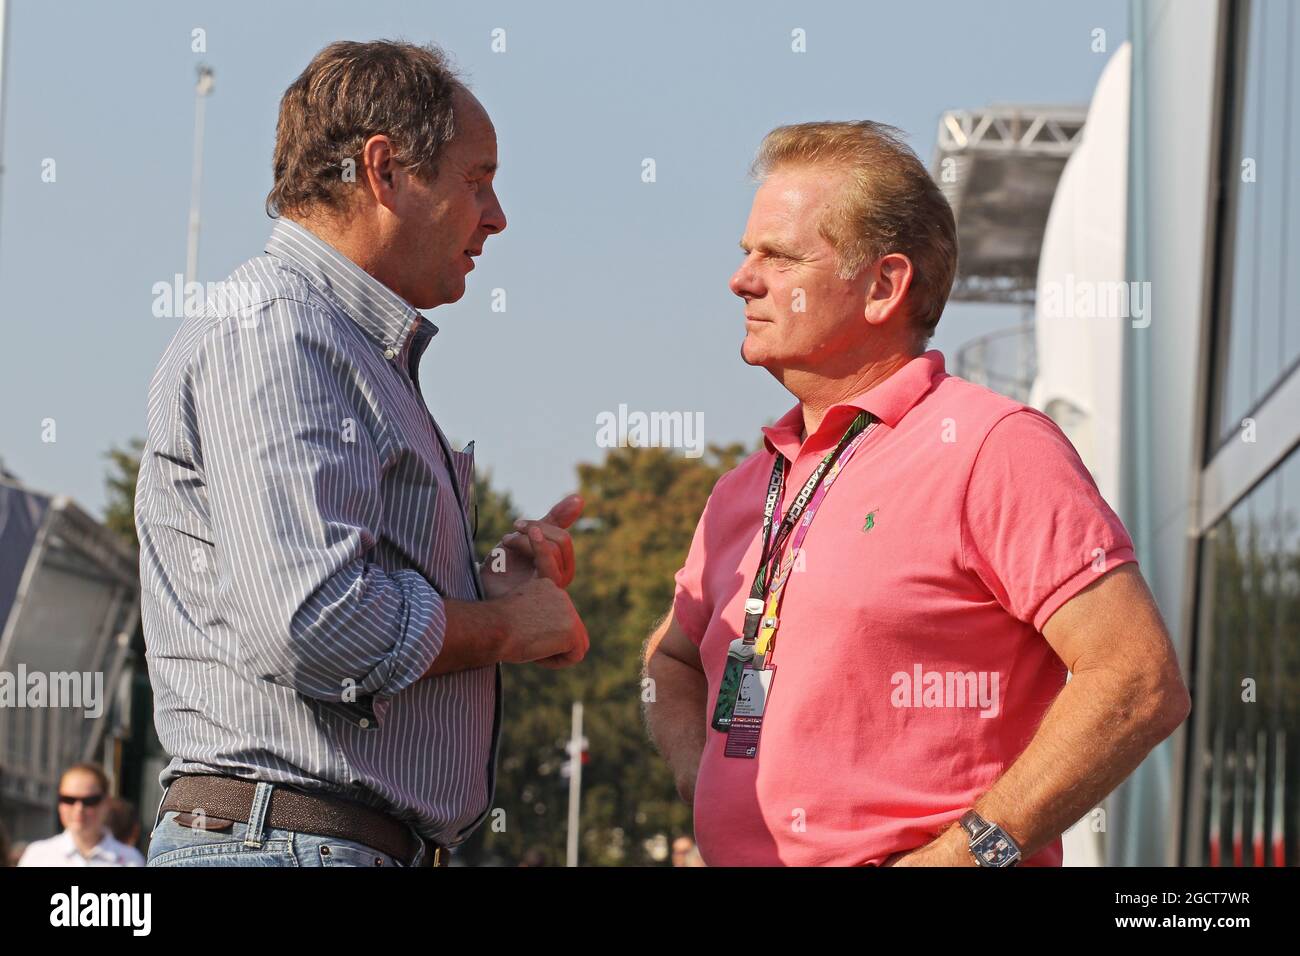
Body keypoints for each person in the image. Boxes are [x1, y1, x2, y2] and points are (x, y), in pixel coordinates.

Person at [643, 120, 1191, 867]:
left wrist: (970, 855)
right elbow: (670, 658)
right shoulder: (747, 486)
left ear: (883, 286)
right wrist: (703, 775)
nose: (742, 279)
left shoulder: (994, 446)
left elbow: (1138, 679)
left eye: (779, 256)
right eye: (747, 254)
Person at [136, 40, 588, 868]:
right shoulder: (279, 332)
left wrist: (482, 581)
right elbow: (311, 621)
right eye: (476, 180)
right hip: (289, 843)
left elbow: (323, 596)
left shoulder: (328, 342)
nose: (497, 215)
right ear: (384, 171)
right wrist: (504, 628)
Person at [17, 764, 144, 867]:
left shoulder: (131, 860)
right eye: (69, 800)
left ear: (106, 803)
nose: (79, 809)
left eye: (89, 801)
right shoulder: (37, 856)